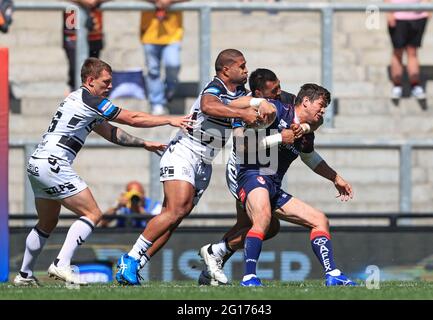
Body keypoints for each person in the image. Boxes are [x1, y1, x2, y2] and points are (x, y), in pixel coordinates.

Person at [13, 57, 192, 286]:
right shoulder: (91, 100)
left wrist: (144, 144)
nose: (110, 86)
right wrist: (168, 119)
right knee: (92, 214)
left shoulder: (81, 101)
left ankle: (25, 275)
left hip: (37, 163)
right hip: (54, 162)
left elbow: (111, 133)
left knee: (46, 222)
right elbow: (132, 118)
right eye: (106, 82)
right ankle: (61, 264)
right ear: (90, 80)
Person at [115, 49, 276, 285]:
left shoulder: (239, 93)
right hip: (184, 151)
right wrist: (245, 111)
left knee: (174, 217)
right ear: (225, 70)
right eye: (241, 66)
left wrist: (260, 115)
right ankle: (129, 259)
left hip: (205, 162)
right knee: (175, 210)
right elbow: (209, 106)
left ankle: (136, 265)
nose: (245, 69)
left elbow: (245, 119)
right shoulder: (216, 88)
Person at [202, 83, 356, 287]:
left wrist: (336, 178)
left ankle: (333, 274)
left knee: (320, 220)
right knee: (263, 218)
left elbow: (310, 159)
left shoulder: (306, 134)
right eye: (321, 105)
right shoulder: (277, 110)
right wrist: (274, 129)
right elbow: (240, 133)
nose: (323, 111)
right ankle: (249, 277)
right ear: (306, 102)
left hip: (272, 185)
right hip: (251, 174)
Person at [198, 68, 301, 286]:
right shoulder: (245, 107)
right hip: (242, 171)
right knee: (266, 225)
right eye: (274, 90)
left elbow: (302, 111)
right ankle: (216, 253)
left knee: (249, 226)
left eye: (279, 87)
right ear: (257, 92)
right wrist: (257, 106)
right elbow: (241, 145)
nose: (279, 93)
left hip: (261, 172)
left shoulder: (282, 99)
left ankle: (211, 265)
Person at [140, 0, 190, 115]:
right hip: (149, 33)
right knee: (153, 70)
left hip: (173, 34)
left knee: (173, 64)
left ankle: (170, 87)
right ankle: (157, 102)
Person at [386, 0, 430, 100]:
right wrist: (389, 12)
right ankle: (397, 85)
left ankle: (415, 84)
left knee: (412, 51)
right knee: (398, 51)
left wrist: (427, 4)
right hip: (398, 15)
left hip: (418, 15)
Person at [63, 0, 110, 92]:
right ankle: (76, 101)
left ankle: (89, 102)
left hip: (95, 32)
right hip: (72, 31)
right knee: (75, 73)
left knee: (94, 74)